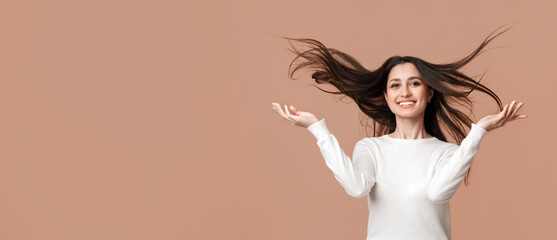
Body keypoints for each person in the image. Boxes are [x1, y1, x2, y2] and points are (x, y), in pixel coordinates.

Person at [270, 26, 527, 240]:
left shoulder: (447, 153)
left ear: (429, 93)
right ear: (386, 96)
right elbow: (357, 187)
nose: (404, 93)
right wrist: (318, 129)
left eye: (414, 83)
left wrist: (478, 133)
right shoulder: (370, 148)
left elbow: (438, 193)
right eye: (395, 85)